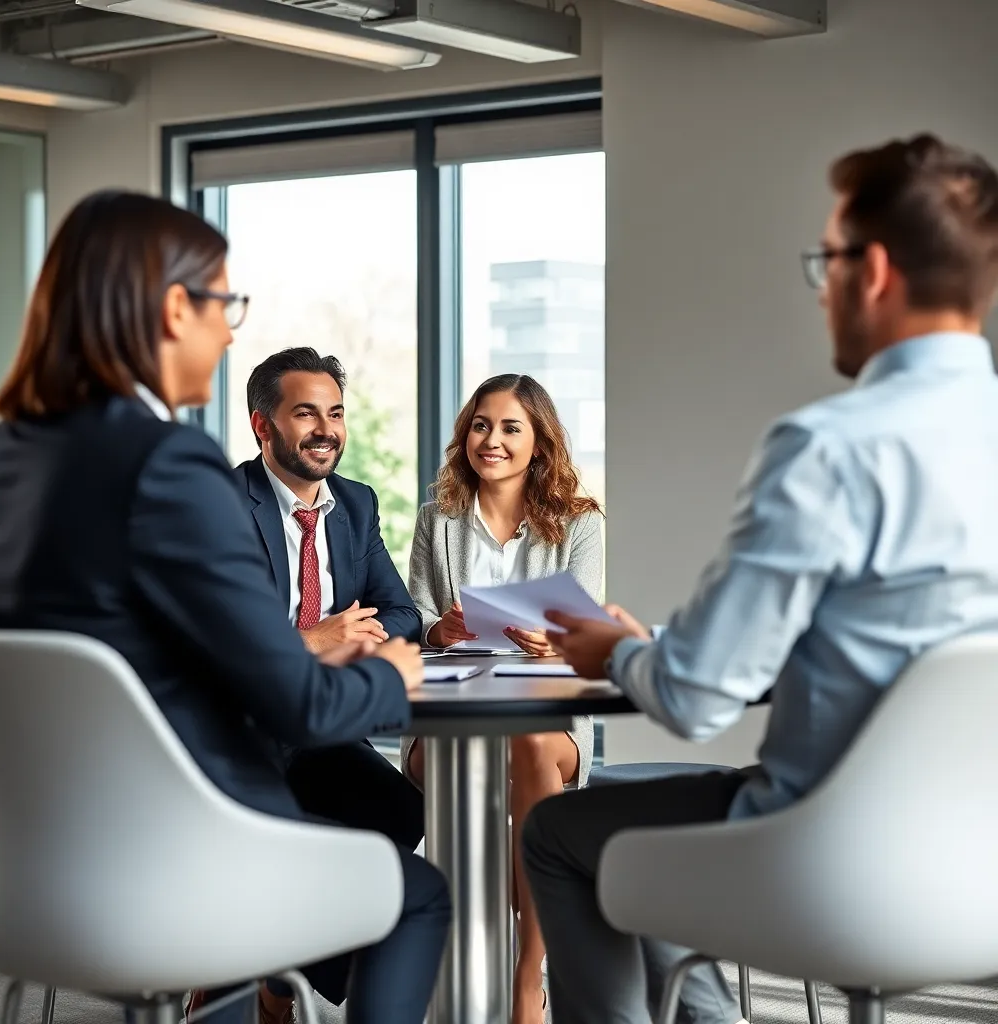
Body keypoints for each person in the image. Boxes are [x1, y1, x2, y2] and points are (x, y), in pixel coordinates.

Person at [521, 133, 998, 1024]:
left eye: (827, 263)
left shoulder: (830, 448)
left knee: (559, 834)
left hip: (828, 857)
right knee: (636, 815)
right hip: (981, 859)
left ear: (876, 270)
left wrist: (619, 652)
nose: (825, 295)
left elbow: (698, 700)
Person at [0, 189, 450, 1024]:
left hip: (21, 874)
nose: (230, 331)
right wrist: (393, 674)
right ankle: (253, 981)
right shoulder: (170, 466)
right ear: (172, 308)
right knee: (417, 895)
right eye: (224, 304)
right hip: (189, 862)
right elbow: (300, 707)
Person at [405, 373, 603, 1024]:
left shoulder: (579, 524)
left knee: (526, 744)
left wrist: (559, 644)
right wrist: (440, 628)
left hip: (543, 721)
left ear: (539, 443)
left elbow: (592, 634)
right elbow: (414, 617)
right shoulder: (436, 520)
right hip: (451, 720)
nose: (491, 440)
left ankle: (525, 980)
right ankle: (466, 971)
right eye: (480, 425)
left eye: (511, 427)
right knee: (469, 773)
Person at [233, 346, 424, 849]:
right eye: (305, 413)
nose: (326, 429)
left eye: (335, 413)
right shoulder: (223, 505)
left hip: (333, 721)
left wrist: (353, 638)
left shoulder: (356, 503)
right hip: (250, 730)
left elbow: (403, 614)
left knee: (402, 814)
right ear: (262, 425)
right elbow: (215, 646)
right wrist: (312, 641)